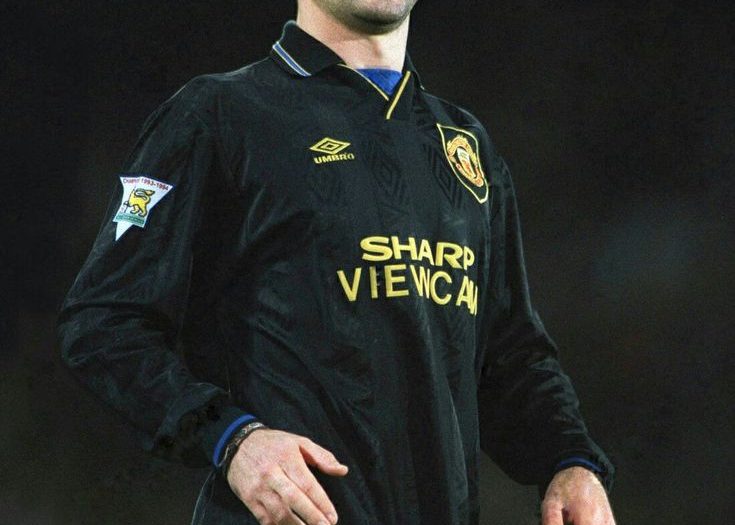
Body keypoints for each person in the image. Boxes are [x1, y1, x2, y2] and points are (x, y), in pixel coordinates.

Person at [58, 1, 616, 524]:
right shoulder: (220, 115)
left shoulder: (466, 144)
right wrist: (234, 439)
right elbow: (104, 323)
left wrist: (569, 462)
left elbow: (508, 356)